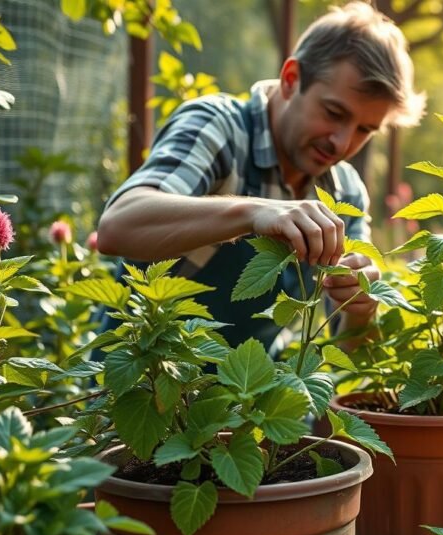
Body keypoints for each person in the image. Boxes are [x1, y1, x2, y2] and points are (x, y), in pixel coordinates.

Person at [97, 2, 425, 351]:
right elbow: (118, 226)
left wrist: (360, 308)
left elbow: (347, 351)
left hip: (250, 393)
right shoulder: (221, 128)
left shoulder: (343, 191)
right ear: (291, 79)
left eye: (365, 129)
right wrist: (254, 213)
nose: (342, 142)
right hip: (147, 384)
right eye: (333, 112)